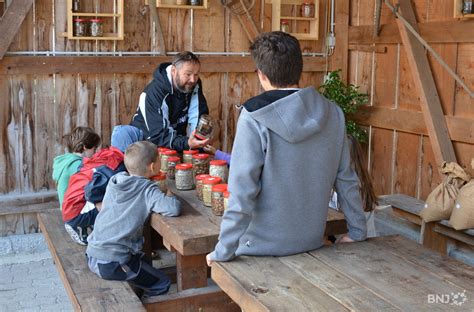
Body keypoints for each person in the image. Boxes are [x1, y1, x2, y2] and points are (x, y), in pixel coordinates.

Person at [206, 31, 367, 266]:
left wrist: (222, 251)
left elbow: (242, 191)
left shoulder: (254, 116)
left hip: (257, 249)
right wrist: (357, 231)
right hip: (311, 241)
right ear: (299, 69)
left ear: (261, 74)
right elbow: (347, 180)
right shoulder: (333, 113)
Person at [86, 141, 181, 298]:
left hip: (93, 253)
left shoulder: (115, 180)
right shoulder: (147, 190)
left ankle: (141, 287)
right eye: (159, 160)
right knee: (162, 282)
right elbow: (173, 209)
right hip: (113, 262)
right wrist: (170, 195)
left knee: (144, 261)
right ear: (152, 167)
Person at [62, 125, 143, 246]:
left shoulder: (107, 154)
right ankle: (113, 239)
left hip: (71, 204)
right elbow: (91, 192)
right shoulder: (117, 163)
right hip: (75, 211)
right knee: (123, 202)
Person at [130, 51, 210, 151]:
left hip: (176, 144)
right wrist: (187, 143)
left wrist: (196, 141)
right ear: (173, 71)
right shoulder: (154, 93)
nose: (193, 79)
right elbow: (157, 134)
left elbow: (198, 116)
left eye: (196, 74)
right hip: (145, 147)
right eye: (188, 74)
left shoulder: (193, 85)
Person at [52, 126, 101, 210]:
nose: (96, 152)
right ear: (85, 147)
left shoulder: (66, 161)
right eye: (94, 149)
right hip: (75, 212)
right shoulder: (78, 165)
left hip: (66, 210)